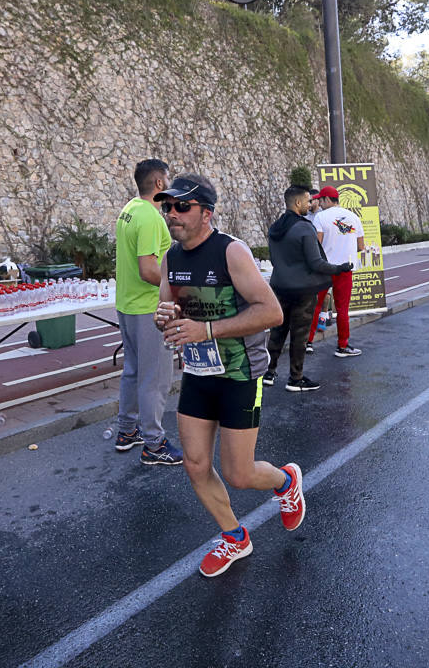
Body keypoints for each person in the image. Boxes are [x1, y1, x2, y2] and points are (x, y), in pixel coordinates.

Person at [153, 174, 303, 578]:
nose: (172, 214)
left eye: (182, 206)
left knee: (239, 473)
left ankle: (286, 481)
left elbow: (272, 313)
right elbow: (169, 309)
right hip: (199, 373)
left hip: (240, 374)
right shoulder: (172, 258)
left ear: (207, 213)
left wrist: (206, 330)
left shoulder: (231, 252)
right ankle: (234, 536)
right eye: (168, 206)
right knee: (195, 463)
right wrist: (165, 317)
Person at [113, 159, 183, 465]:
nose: (169, 183)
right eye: (167, 179)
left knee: (132, 371)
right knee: (155, 379)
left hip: (127, 305)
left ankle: (127, 430)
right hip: (147, 309)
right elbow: (148, 270)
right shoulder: (152, 218)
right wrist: (178, 288)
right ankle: (154, 444)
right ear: (159, 184)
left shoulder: (128, 210)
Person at [264, 185, 352, 392]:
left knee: (277, 331)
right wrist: (339, 268)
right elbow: (316, 263)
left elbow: (275, 259)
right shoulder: (304, 228)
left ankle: (269, 372)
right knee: (299, 335)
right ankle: (296, 378)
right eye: (307, 200)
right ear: (297, 203)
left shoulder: (275, 227)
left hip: (278, 286)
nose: (311, 203)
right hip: (302, 290)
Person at [307, 186, 364, 357]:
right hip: (345, 269)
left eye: (320, 200)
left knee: (315, 306)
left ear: (325, 200)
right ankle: (342, 346)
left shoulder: (320, 217)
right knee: (342, 308)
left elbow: (317, 244)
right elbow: (361, 246)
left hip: (324, 268)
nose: (319, 203)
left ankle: (307, 342)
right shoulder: (354, 217)